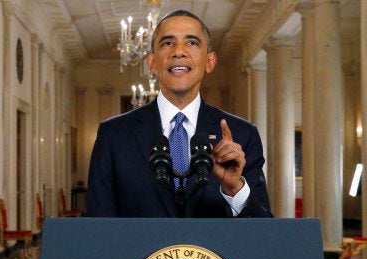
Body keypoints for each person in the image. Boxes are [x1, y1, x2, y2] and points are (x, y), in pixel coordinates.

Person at [85, 10, 272, 218]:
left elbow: (263, 231)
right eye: (167, 43)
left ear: (210, 61)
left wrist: (235, 189)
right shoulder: (113, 135)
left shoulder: (243, 135)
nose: (179, 52)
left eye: (192, 43)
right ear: (152, 62)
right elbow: (97, 228)